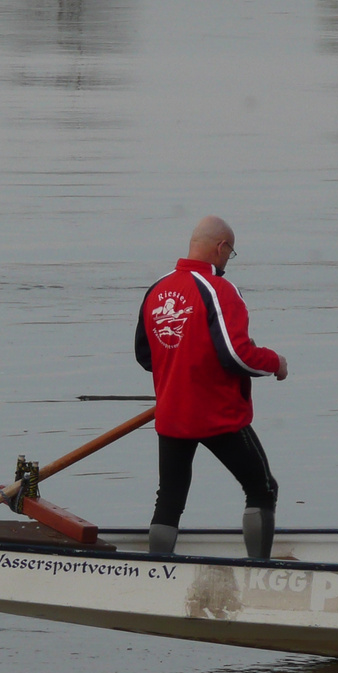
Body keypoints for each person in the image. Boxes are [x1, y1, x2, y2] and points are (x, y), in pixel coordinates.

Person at [135, 216, 288, 558]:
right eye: (229, 253)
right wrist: (276, 362)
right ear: (221, 248)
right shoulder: (219, 289)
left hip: (173, 413)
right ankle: (258, 570)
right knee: (262, 488)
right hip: (217, 415)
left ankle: (159, 569)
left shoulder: (157, 289)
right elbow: (237, 355)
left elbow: (146, 354)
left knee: (170, 497)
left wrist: (180, 370)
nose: (227, 261)